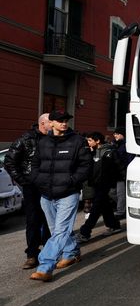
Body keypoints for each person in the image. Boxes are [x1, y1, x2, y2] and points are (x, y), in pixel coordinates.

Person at [29, 110, 92, 282]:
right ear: (52, 123)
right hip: (46, 194)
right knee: (58, 231)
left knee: (59, 231)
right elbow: (35, 164)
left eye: (66, 120)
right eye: (60, 120)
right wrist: (37, 180)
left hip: (68, 194)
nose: (64, 123)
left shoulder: (78, 141)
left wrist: (71, 181)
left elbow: (86, 166)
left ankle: (45, 267)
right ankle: (71, 253)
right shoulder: (43, 141)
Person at [4, 113, 52, 269]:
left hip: (50, 185)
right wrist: (24, 181)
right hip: (32, 186)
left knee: (49, 218)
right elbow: (9, 162)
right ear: (43, 123)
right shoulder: (25, 139)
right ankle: (32, 254)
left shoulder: (54, 138)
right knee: (33, 220)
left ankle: (49, 249)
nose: (54, 125)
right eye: (51, 122)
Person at [78, 132, 123, 242]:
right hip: (97, 185)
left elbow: (119, 166)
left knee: (96, 209)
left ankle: (85, 233)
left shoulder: (109, 152)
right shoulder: (93, 152)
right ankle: (114, 225)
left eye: (90, 140)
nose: (88, 142)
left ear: (97, 141)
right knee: (105, 205)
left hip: (106, 184)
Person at [111, 127, 133, 219]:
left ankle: (121, 212)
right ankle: (124, 206)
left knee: (120, 193)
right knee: (112, 192)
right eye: (114, 134)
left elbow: (130, 159)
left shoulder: (128, 144)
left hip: (123, 173)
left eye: (117, 133)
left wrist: (127, 171)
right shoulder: (114, 145)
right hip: (115, 172)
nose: (115, 135)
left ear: (123, 134)